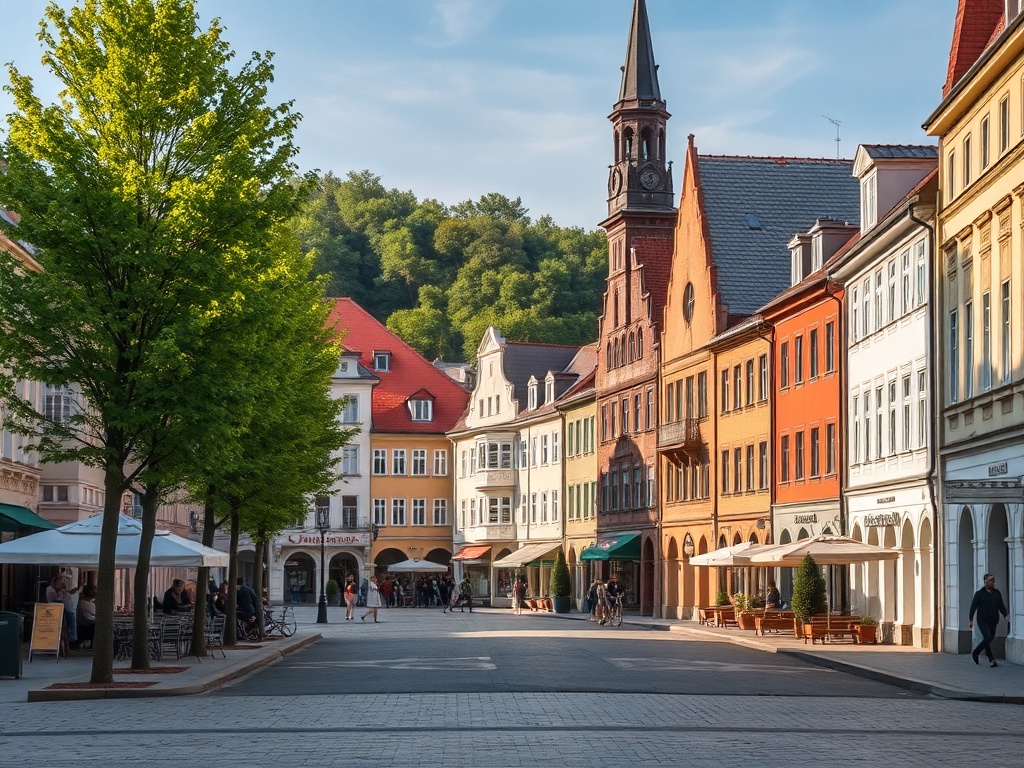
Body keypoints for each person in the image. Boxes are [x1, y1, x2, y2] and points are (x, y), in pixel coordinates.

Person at [969, 573, 1010, 667]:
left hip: (993, 620)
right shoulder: (979, 594)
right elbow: (973, 607)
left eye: (994, 580)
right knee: (987, 637)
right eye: (991, 580)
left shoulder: (996, 593)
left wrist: (1005, 615)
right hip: (982, 620)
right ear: (985, 582)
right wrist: (970, 619)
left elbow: (1000, 605)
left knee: (990, 638)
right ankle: (991, 659)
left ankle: (977, 652)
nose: (993, 582)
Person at [48, 573, 80, 648]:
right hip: (54, 610)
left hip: (63, 608)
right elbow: (52, 600)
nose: (63, 583)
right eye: (61, 581)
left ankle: (71, 638)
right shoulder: (50, 589)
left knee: (70, 618)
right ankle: (71, 638)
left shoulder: (62, 589)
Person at [76, 585, 97, 649]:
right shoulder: (85, 603)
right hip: (87, 625)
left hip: (84, 624)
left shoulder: (83, 603)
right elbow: (95, 613)